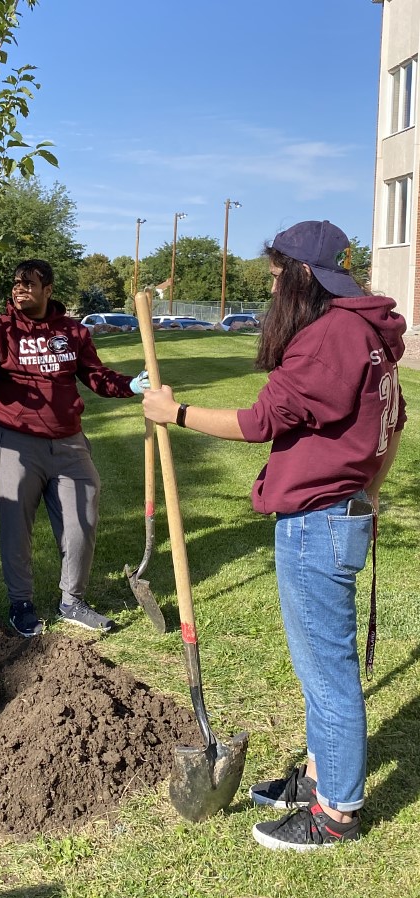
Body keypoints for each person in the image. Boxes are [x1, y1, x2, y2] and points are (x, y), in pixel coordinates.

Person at [142, 220, 406, 850]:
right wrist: (368, 487)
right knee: (321, 663)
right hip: (338, 512)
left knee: (327, 672)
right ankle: (319, 777)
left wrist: (173, 412)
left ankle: (335, 813)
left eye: (276, 271)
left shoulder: (330, 336)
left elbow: (260, 420)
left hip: (318, 522)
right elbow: (391, 426)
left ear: (303, 274)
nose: (270, 281)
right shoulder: (368, 332)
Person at [0, 259, 148, 638]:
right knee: (15, 527)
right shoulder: (0, 327)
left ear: (48, 289)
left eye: (28, 284)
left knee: (81, 522)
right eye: (15, 284)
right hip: (14, 441)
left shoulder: (72, 332)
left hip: (69, 442)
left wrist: (131, 385)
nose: (19, 290)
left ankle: (73, 600)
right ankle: (21, 604)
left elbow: (95, 376)